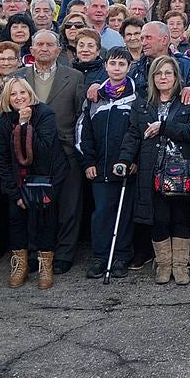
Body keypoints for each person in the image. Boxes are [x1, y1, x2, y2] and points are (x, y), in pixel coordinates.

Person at [119, 54, 190, 285]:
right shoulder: (142, 103)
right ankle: (163, 264)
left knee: (180, 217)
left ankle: (179, 265)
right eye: (158, 73)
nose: (163, 77)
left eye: (168, 73)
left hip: (181, 171)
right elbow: (133, 134)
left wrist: (164, 127)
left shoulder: (188, 100)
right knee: (158, 218)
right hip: (152, 170)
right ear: (152, 77)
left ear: (176, 76)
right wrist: (124, 159)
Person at [19, 30, 86, 273]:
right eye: (40, 44)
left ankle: (64, 255)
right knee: (36, 205)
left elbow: (80, 114)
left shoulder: (75, 76)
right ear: (32, 50)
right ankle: (37, 254)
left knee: (69, 206)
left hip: (66, 148)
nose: (45, 48)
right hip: (31, 150)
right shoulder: (19, 77)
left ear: (59, 50)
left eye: (50, 44)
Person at [0, 77, 69, 289]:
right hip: (18, 178)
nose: (19, 97)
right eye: (13, 94)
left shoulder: (45, 114)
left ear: (30, 94)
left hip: (46, 176)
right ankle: (21, 265)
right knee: (17, 219)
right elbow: (3, 160)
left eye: (22, 93)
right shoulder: (3, 121)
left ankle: (45, 266)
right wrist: (16, 194)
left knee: (46, 219)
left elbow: (44, 151)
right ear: (7, 98)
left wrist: (25, 125)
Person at [77, 48, 140, 279]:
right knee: (102, 212)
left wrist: (133, 160)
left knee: (124, 213)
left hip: (126, 167)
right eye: (113, 64)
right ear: (105, 66)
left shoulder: (136, 96)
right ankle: (100, 256)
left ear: (129, 67)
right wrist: (88, 161)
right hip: (100, 167)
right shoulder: (95, 96)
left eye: (122, 64)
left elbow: (139, 132)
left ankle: (121, 256)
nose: (117, 68)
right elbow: (83, 131)